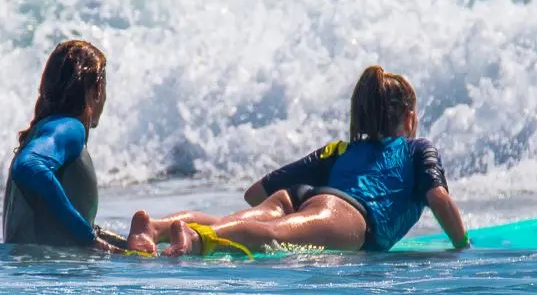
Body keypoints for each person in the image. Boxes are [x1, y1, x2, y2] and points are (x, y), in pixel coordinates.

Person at [127, 65, 469, 257]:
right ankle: (196, 239)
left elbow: (256, 192)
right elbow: (438, 198)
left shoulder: (339, 150)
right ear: (409, 118)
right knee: (272, 234)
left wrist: (302, 210)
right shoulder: (417, 148)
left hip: (300, 195)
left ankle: (154, 227)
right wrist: (461, 246)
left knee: (239, 220)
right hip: (347, 214)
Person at [2, 39, 123, 252]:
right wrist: (88, 238)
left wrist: (122, 245)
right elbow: (28, 165)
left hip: (29, 275)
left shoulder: (43, 130)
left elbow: (58, 226)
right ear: (97, 89)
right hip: (50, 276)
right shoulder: (69, 127)